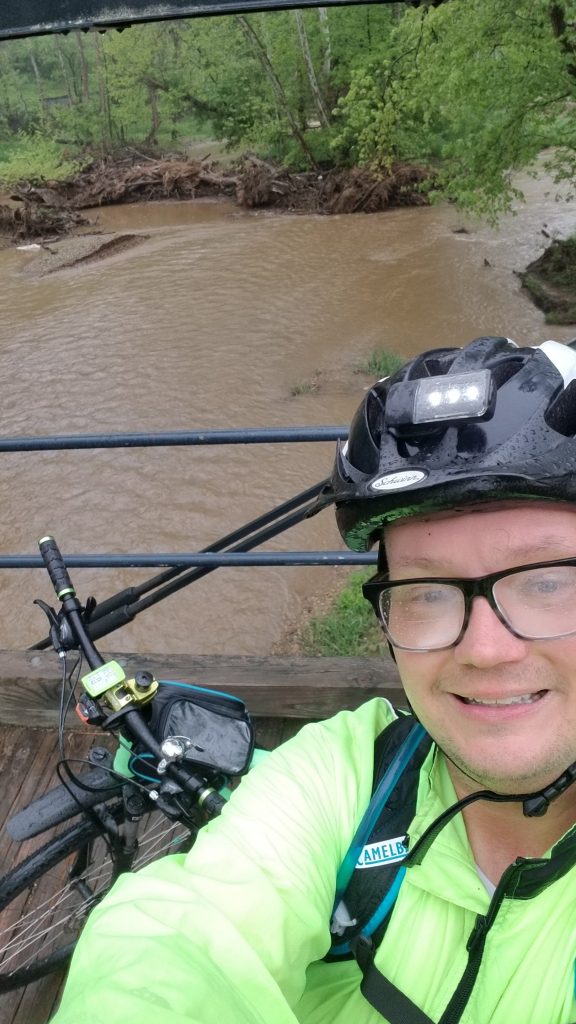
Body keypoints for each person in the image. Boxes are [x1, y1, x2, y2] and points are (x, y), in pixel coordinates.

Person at [51, 335, 576, 1024]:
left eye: (546, 582)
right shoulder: (349, 777)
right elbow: (181, 937)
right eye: (427, 592)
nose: (483, 649)